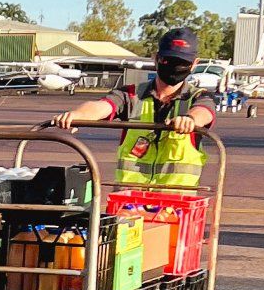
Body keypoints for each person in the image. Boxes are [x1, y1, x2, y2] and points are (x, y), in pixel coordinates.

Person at [49, 26, 216, 186]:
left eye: (182, 63)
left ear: (194, 64)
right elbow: (103, 105)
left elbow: (204, 111)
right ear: (156, 58)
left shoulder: (198, 97)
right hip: (130, 203)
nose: (175, 67)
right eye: (168, 60)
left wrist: (190, 119)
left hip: (177, 206)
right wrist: (79, 115)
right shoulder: (131, 94)